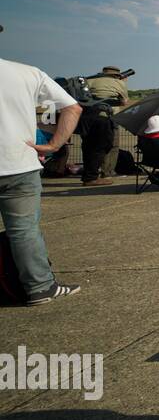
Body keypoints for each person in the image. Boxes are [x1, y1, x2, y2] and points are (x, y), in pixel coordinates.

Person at [0, 45, 83, 304]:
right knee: (24, 229)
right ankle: (40, 287)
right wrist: (54, 145)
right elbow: (73, 107)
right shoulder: (28, 73)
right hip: (18, 163)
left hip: (19, 163)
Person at [79, 65, 129, 186]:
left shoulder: (89, 80)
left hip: (85, 118)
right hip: (103, 117)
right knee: (103, 146)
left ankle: (88, 175)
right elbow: (124, 102)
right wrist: (121, 83)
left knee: (88, 146)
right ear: (117, 75)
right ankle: (92, 177)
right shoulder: (118, 82)